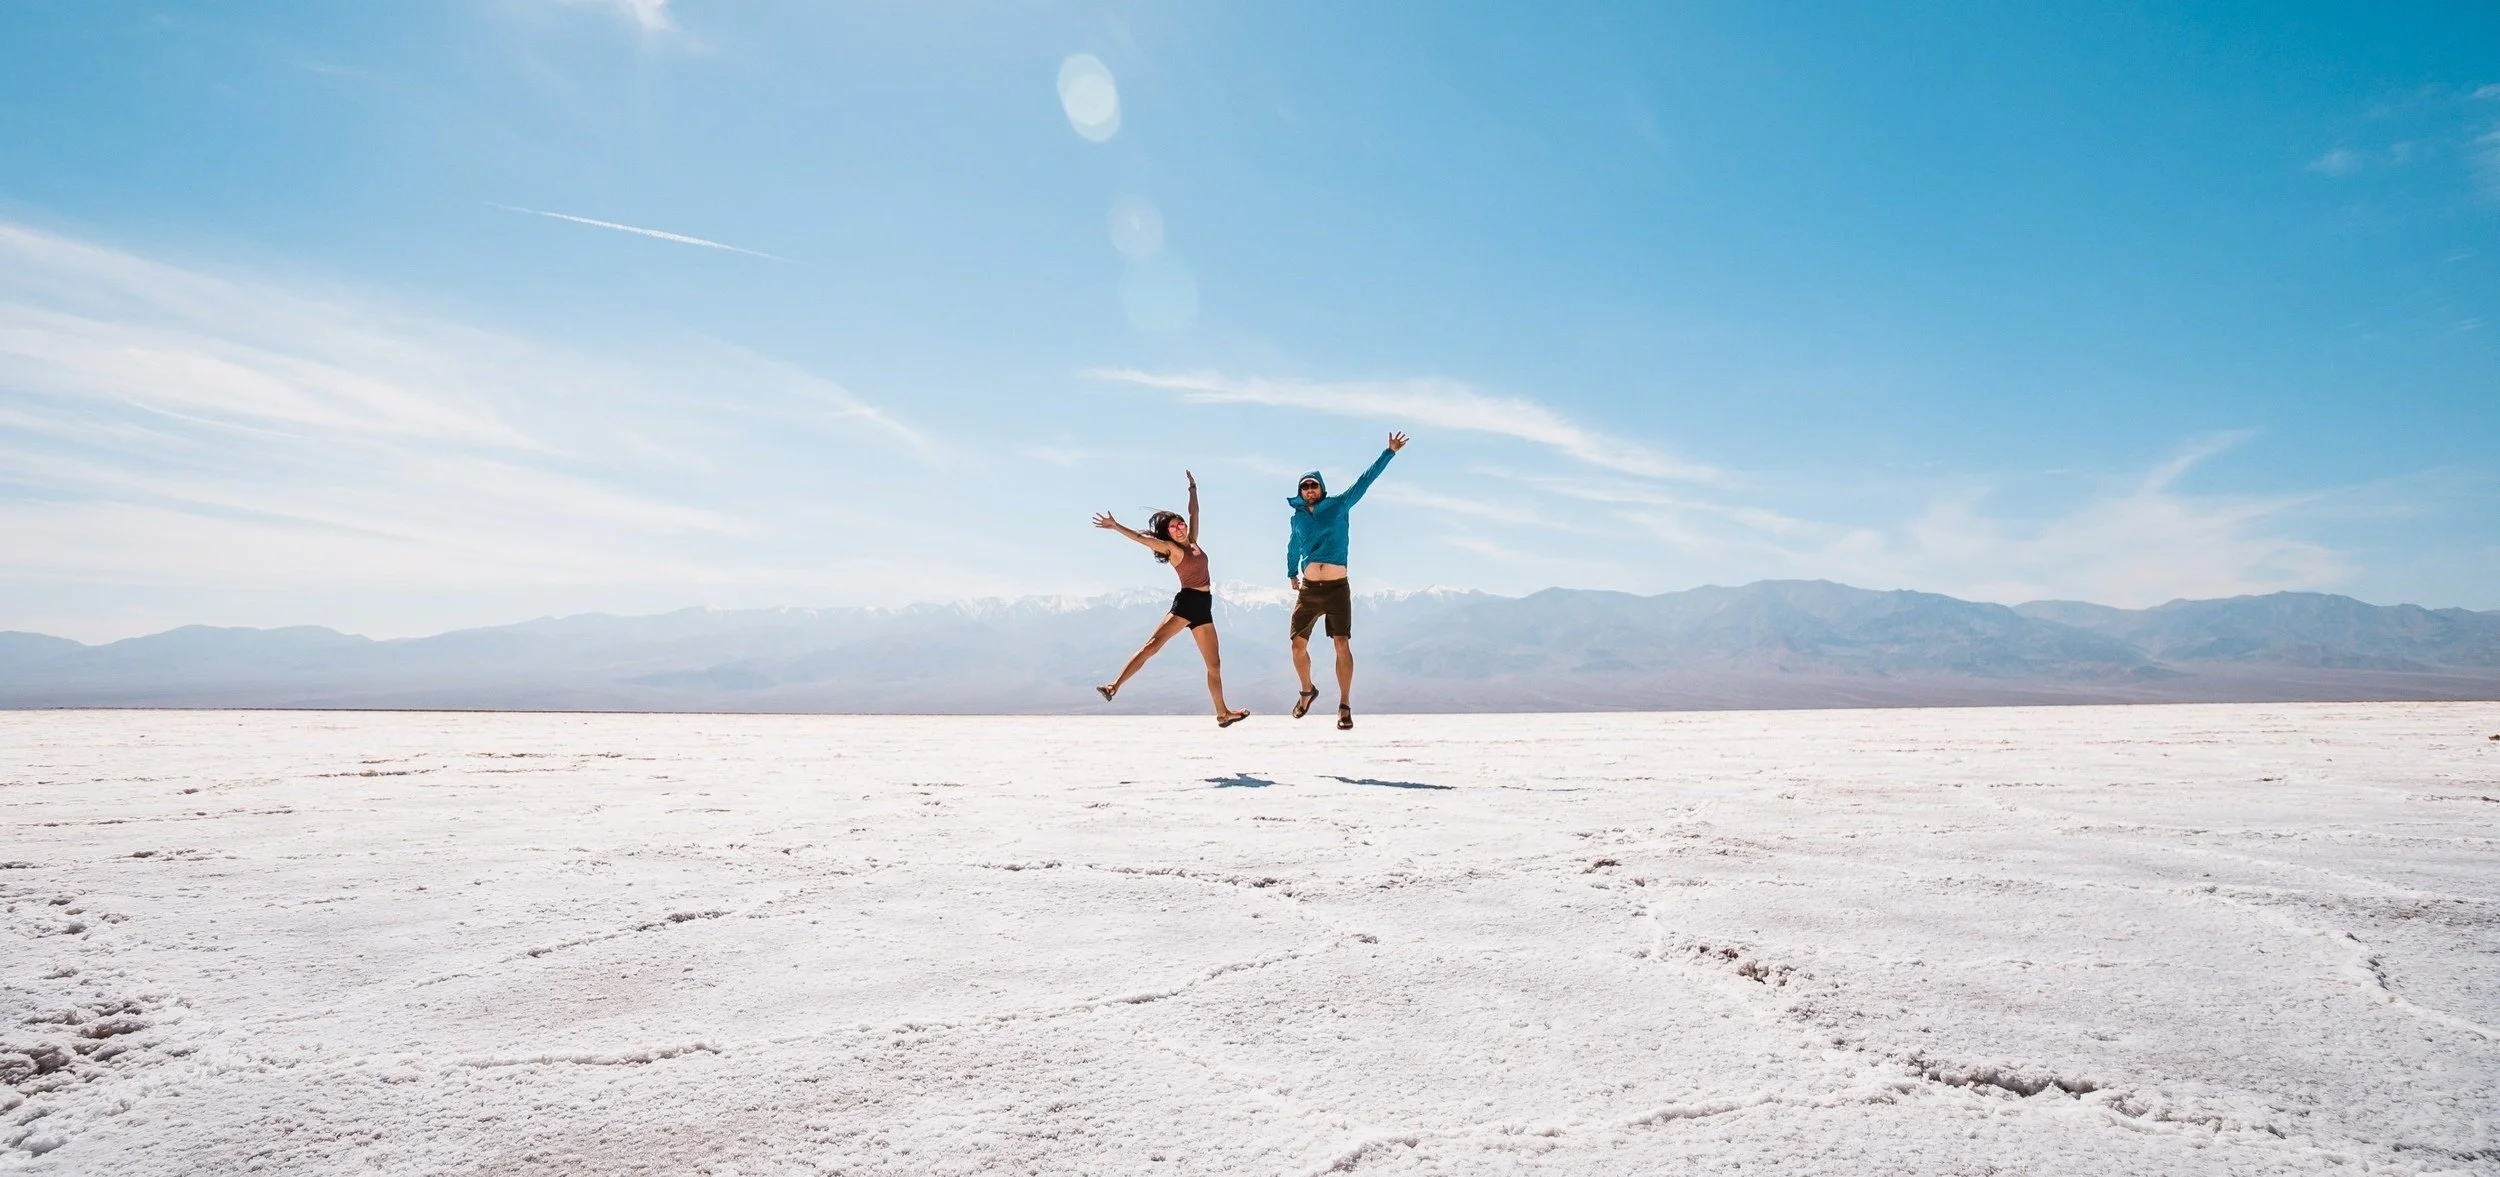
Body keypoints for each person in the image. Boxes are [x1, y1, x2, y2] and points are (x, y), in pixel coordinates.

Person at [1092, 470, 1251, 727]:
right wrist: (1116, 526)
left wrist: (1193, 489)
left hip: (1204, 608)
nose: (1179, 528)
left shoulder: (1193, 542)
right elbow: (1141, 539)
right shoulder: (1172, 549)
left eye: (1181, 525)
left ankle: (1223, 713)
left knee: (1214, 665)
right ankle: (1113, 686)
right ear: (1167, 533)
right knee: (1152, 646)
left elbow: (1195, 513)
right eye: (1174, 527)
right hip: (1187, 603)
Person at [1286, 431, 1408, 729]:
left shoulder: (1339, 505)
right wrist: (1291, 572)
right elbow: (1292, 545)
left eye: (1314, 485)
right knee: (1297, 646)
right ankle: (1307, 691)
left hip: (1337, 587)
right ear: (1300, 492)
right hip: (1310, 588)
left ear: (1322, 488)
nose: (1309, 489)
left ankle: (1344, 705)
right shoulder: (1297, 518)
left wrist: (1388, 452)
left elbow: (1365, 481)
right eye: (1305, 486)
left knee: (1341, 643)